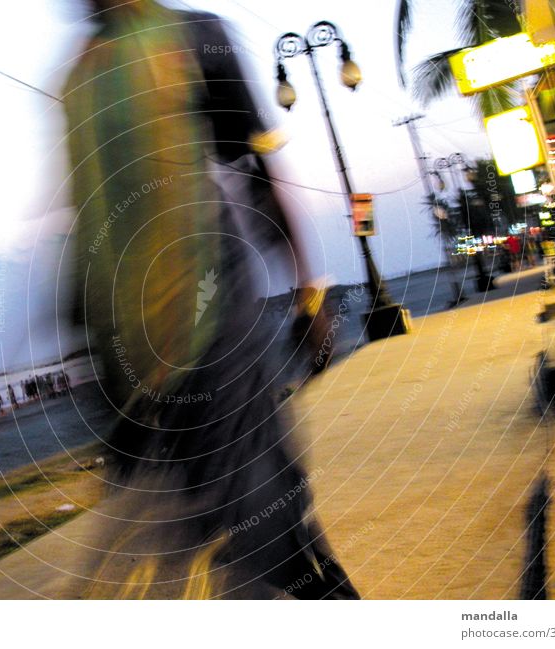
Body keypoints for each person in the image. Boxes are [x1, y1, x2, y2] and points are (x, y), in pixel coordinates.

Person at [64, 0, 358, 599]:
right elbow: (89, 224)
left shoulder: (193, 35)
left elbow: (253, 161)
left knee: (266, 528)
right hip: (132, 369)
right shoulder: (78, 77)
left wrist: (307, 291)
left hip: (214, 318)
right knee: (228, 538)